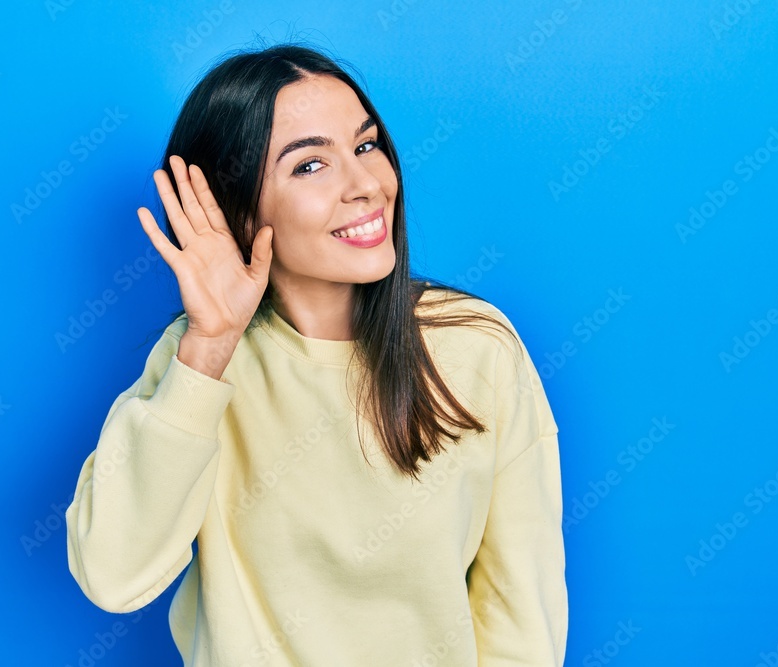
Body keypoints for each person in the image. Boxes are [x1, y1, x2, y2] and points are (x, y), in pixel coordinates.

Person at [66, 43, 567, 666]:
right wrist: (210, 346)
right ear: (237, 210)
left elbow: (521, 609)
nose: (366, 186)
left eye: (365, 146)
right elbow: (114, 577)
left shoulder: (475, 345)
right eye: (309, 166)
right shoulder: (198, 363)